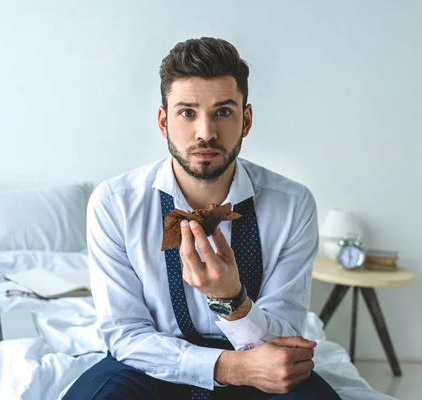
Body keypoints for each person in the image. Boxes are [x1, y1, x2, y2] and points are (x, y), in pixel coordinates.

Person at [63, 37, 340, 399]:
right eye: (187, 112)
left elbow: (284, 342)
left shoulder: (293, 204)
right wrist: (227, 368)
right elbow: (125, 335)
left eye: (223, 111)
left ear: (247, 119)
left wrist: (232, 300)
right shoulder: (114, 204)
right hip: (152, 363)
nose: (205, 132)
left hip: (261, 365)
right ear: (164, 121)